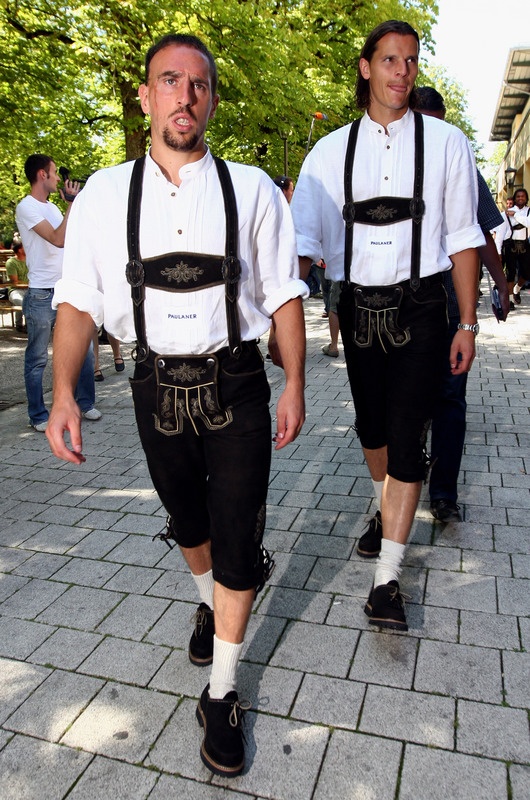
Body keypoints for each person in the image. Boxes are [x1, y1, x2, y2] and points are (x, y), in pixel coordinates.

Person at [45, 34, 307, 777]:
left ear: (212, 99)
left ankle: (221, 692)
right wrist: (63, 391)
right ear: (146, 96)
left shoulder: (251, 188)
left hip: (237, 384)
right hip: (154, 388)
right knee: (186, 521)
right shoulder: (101, 193)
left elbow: (285, 290)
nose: (184, 95)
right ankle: (206, 596)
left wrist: (296, 383)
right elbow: (78, 300)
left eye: (198, 83)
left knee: (236, 533)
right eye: (170, 80)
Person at [291, 20, 484, 632]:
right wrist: (283, 321)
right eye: (391, 59)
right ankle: (384, 508)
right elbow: (300, 243)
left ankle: (388, 579)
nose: (403, 71)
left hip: (424, 308)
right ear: (366, 68)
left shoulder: (448, 144)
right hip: (358, 310)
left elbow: (462, 238)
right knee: (372, 428)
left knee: (406, 437)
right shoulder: (328, 153)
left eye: (411, 61)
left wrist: (469, 323)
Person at [412, 86, 509, 522]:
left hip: (451, 304)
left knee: (450, 398)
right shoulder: (387, 164)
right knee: (406, 403)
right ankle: (396, 499)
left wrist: (502, 283)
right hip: (399, 309)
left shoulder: (460, 163)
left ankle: (443, 493)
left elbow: (482, 230)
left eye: (439, 123)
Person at [15, 154, 101, 431]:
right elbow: (58, 239)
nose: (57, 178)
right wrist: (71, 206)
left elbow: (77, 236)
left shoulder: (53, 208)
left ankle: (85, 403)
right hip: (41, 292)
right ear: (42, 175)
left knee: (84, 351)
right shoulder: (26, 208)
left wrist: (73, 205)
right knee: (38, 358)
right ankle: (38, 414)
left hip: (67, 288)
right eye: (53, 173)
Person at [492, 188, 530, 308]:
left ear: (526, 198)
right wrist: (498, 252)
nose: (520, 198)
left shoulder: (528, 212)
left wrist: (516, 215)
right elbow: (500, 235)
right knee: (510, 273)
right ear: (514, 198)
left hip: (525, 245)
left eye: (522, 196)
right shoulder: (506, 213)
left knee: (527, 273)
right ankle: (509, 301)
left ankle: (516, 289)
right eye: (518, 196)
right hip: (510, 245)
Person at [5, 241, 29, 331]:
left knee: (32, 302)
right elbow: (15, 282)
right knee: (22, 302)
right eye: (24, 247)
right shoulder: (11, 262)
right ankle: (21, 325)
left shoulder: (30, 260)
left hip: (30, 289)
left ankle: (25, 325)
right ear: (19, 250)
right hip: (15, 290)